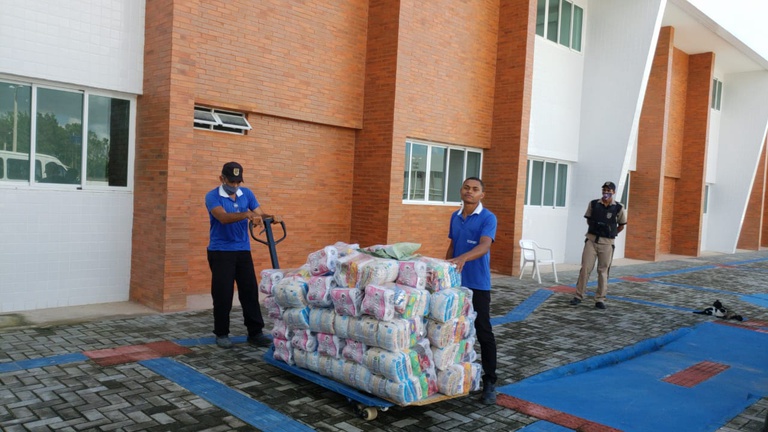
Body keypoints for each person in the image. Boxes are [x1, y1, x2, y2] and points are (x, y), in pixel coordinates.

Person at [205, 161, 282, 349]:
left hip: (242, 250)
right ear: (222, 178)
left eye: (238, 182)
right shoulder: (212, 196)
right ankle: (222, 333)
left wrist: (271, 217)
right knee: (223, 293)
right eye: (231, 182)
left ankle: (255, 332)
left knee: (249, 291)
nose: (235, 186)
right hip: (220, 251)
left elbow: (259, 213)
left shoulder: (246, 194)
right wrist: (246, 214)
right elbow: (222, 217)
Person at [446, 177, 498, 405]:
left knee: (483, 332)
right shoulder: (455, 217)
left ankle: (490, 381)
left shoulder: (488, 218)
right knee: (453, 330)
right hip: (456, 284)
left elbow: (485, 245)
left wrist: (463, 258)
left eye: (475, 189)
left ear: (481, 195)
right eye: (466, 187)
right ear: (461, 190)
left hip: (477, 284)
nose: (470, 191)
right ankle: (454, 375)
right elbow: (453, 245)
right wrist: (445, 267)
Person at [569, 181, 627, 310]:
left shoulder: (618, 207)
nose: (606, 192)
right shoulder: (594, 204)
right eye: (604, 189)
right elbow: (588, 219)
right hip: (591, 241)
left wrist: (611, 233)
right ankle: (578, 296)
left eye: (609, 190)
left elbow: (622, 225)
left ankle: (600, 299)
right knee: (585, 269)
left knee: (603, 271)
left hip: (607, 244)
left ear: (614, 192)